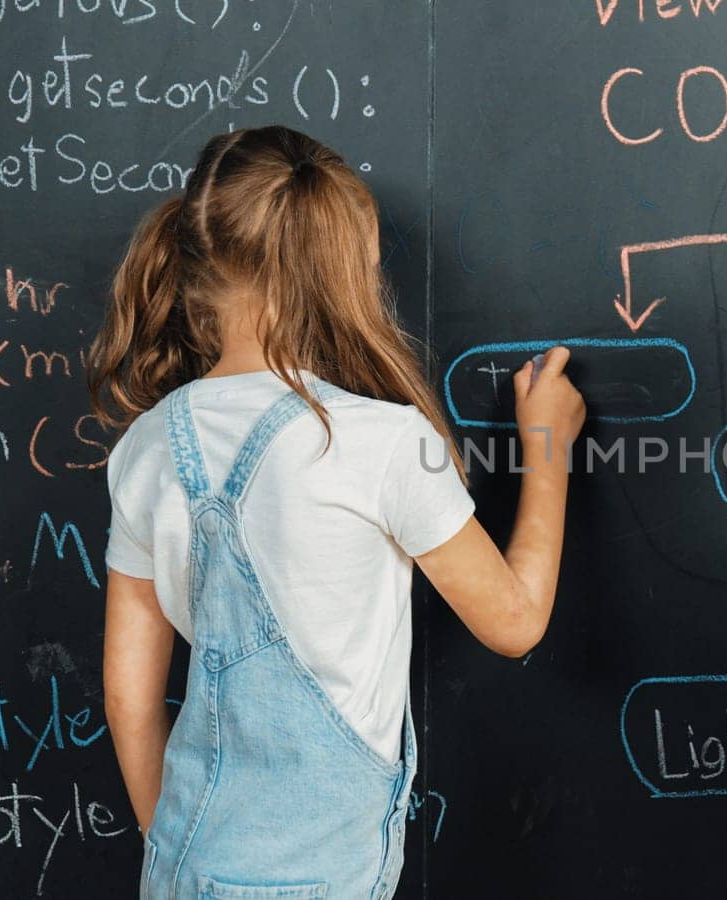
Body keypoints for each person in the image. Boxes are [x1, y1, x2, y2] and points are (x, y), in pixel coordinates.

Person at [90, 125, 585, 900]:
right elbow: (514, 620)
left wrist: (179, 846)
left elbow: (129, 695)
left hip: (183, 861)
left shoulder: (147, 447)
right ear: (341, 271)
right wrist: (548, 449)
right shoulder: (380, 442)